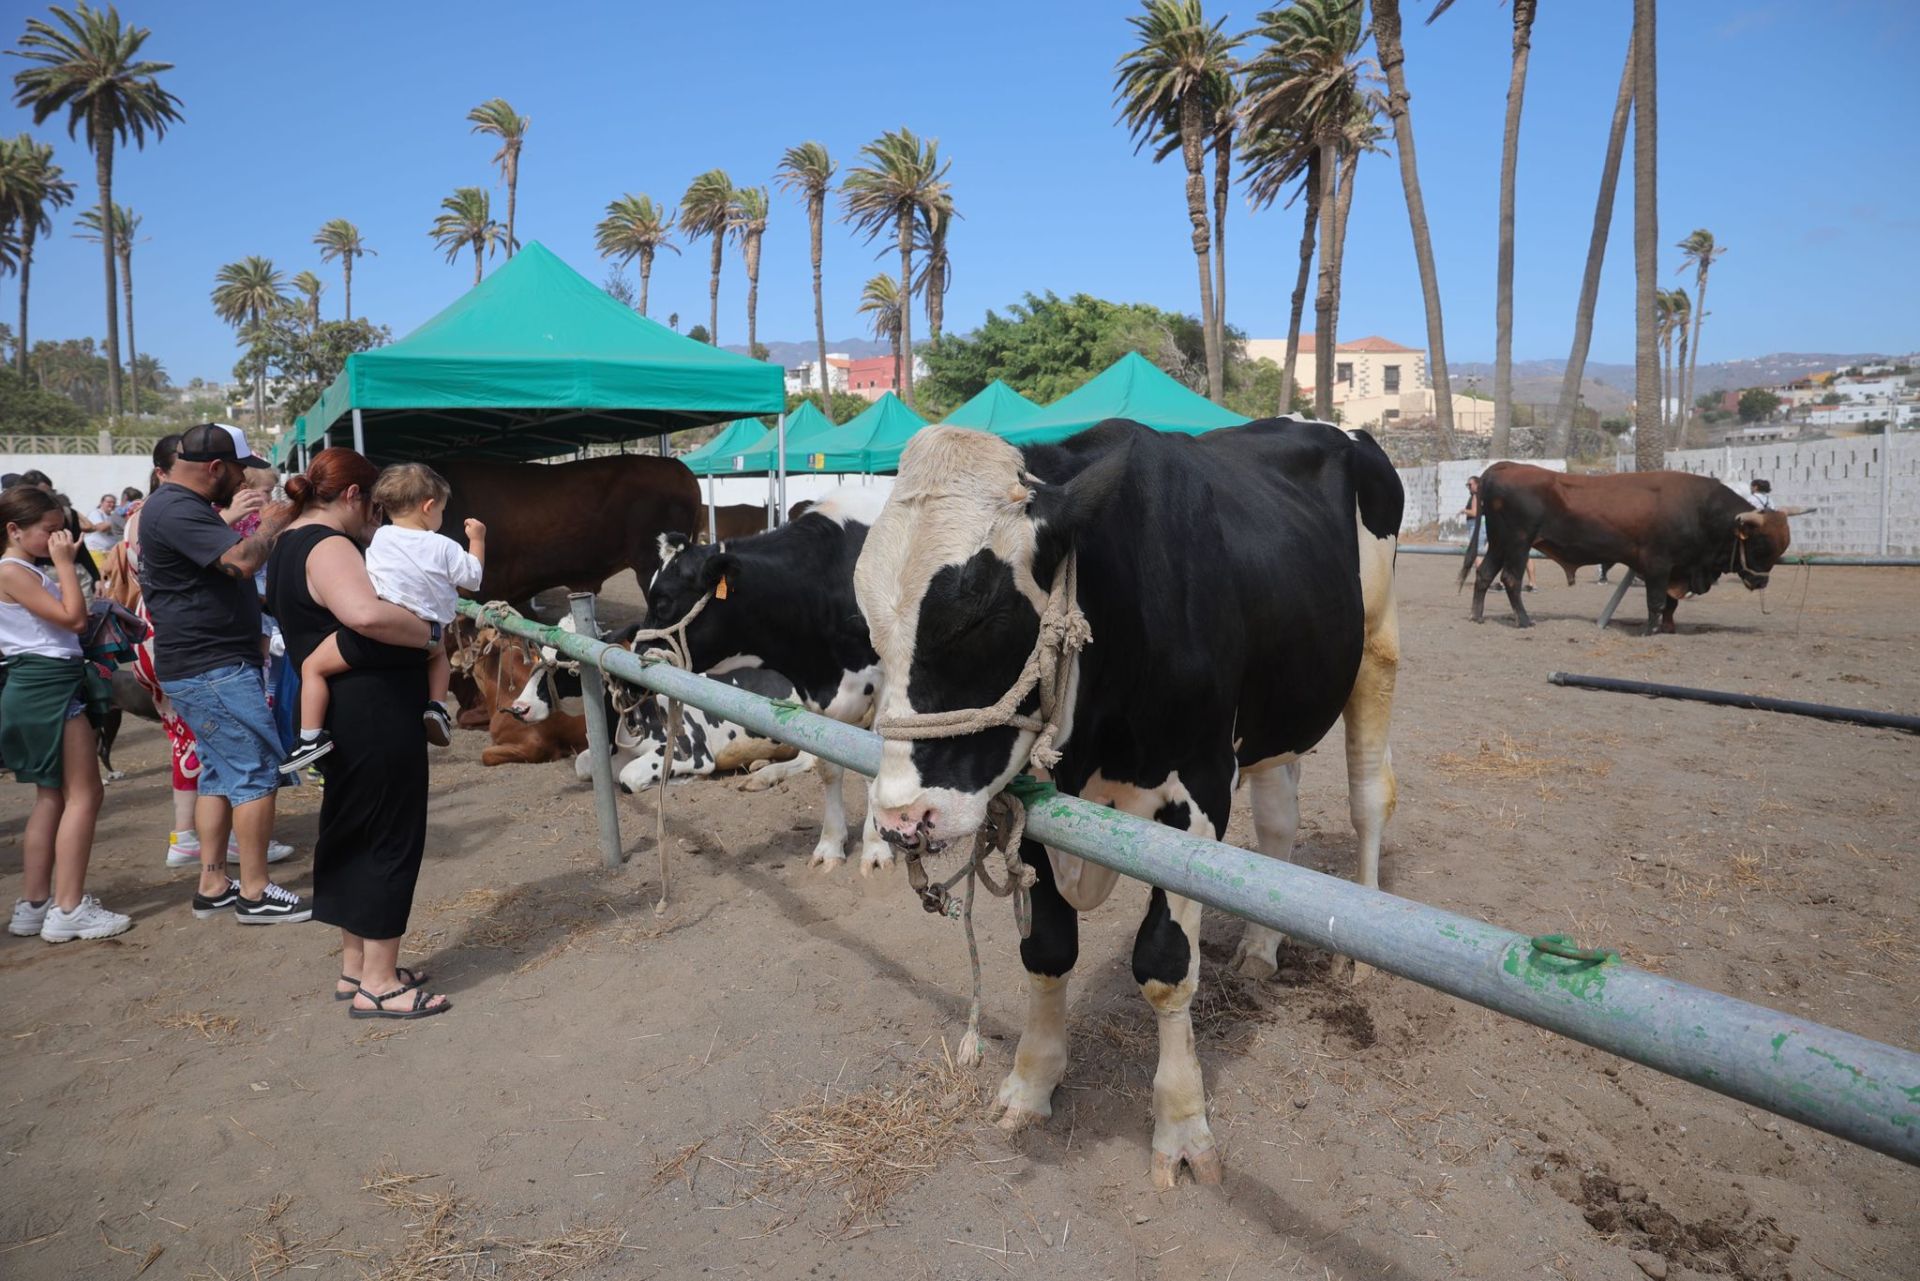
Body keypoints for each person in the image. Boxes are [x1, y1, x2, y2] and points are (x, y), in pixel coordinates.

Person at [267, 448, 450, 1019]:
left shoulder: (287, 544)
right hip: (372, 707)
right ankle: (380, 985)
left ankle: (358, 968)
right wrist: (429, 635)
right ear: (350, 496)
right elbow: (365, 615)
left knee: (353, 830)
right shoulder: (329, 546)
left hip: (343, 711)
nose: (376, 520)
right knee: (389, 836)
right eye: (372, 507)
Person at [139, 423, 308, 924]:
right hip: (210, 665)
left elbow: (211, 581)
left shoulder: (182, 507)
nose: (242, 480)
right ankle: (256, 892)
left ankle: (214, 883)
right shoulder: (176, 508)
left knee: (217, 773)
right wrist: (273, 523)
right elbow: (237, 561)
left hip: (203, 662)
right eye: (237, 470)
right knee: (255, 770)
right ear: (215, 468)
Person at [281, 462, 483, 773]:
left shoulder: (381, 537)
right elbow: (473, 578)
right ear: (428, 506)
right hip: (425, 627)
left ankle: (309, 737)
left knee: (312, 666)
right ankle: (438, 706)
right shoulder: (444, 546)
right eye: (441, 509)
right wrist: (478, 539)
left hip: (389, 621)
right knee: (438, 653)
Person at [1, 485, 129, 942]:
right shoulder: (14, 571)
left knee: (52, 797)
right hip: (47, 687)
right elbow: (73, 620)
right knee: (84, 795)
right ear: (14, 530)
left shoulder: (18, 569)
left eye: (62, 531)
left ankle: (34, 904)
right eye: (49, 531)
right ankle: (69, 907)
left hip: (39, 686)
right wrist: (64, 565)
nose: (59, 539)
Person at [1462, 474, 1534, 592]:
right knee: (1513, 555)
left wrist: (1464, 511)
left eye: (1470, 485)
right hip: (1507, 527)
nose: (1468, 487)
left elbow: (1475, 513)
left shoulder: (1478, 496)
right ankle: (1525, 583)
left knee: (1481, 553)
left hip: (1499, 528)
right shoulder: (1506, 498)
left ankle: (1486, 580)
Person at [80, 492, 128, 570]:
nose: (112, 505)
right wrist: (116, 520)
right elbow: (101, 528)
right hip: (97, 551)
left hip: (109, 552)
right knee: (103, 575)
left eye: (114, 503)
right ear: (101, 503)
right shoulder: (96, 513)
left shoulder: (112, 516)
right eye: (109, 502)